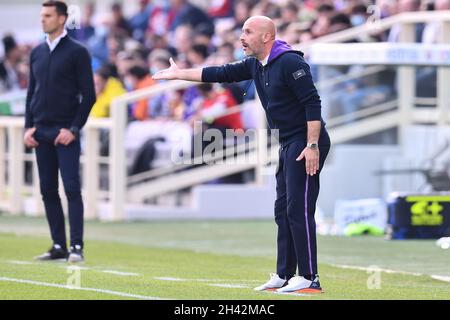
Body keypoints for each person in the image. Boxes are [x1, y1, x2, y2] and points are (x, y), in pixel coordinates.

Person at [153, 16, 331, 294]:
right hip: (286, 142)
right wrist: (180, 74)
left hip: (305, 142)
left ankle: (310, 278)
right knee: (282, 210)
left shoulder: (290, 62)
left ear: (266, 36)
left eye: (248, 32)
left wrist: (312, 146)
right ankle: (285, 275)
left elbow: (313, 103)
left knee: (299, 208)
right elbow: (219, 73)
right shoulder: (255, 64)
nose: (242, 37)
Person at [23, 1, 96, 263]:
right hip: (40, 131)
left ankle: (76, 247)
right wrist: (27, 127)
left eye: (48, 15)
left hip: (65, 132)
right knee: (47, 190)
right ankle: (58, 246)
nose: (43, 19)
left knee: (72, 188)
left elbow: (89, 96)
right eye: (41, 15)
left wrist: (74, 129)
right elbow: (31, 93)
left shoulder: (78, 52)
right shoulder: (37, 52)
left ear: (62, 19)